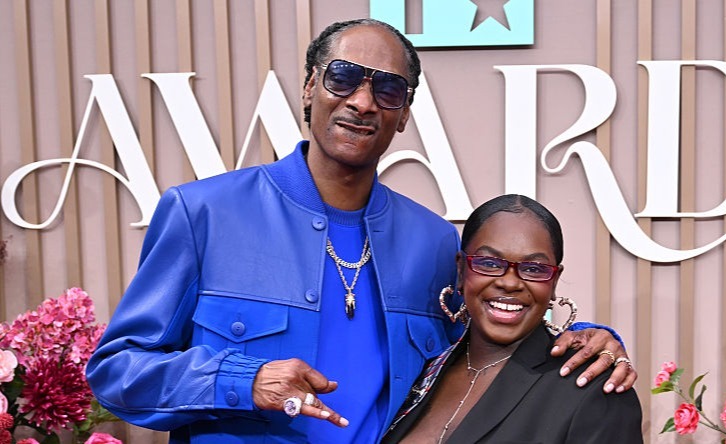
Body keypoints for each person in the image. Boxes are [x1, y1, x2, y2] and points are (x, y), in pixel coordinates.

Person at [85, 18, 636, 444]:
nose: (363, 102)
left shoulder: (432, 242)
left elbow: (489, 332)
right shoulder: (202, 213)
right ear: (309, 88)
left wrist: (586, 336)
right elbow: (117, 371)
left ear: (404, 114)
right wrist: (241, 380)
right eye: (343, 78)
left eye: (388, 90)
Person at [382, 194, 643, 443]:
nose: (509, 282)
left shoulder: (596, 389)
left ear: (553, 282)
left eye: (533, 269)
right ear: (461, 270)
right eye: (489, 263)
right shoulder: (420, 372)